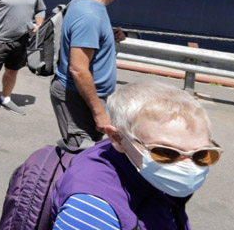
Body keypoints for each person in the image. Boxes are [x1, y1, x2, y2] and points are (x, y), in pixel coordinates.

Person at [51, 81, 220, 230]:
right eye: (166, 152)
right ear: (118, 139)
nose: (188, 166)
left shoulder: (144, 169)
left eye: (202, 154)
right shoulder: (91, 211)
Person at [51, 0, 136, 149]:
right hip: (79, 98)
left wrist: (108, 37)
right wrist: (99, 112)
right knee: (81, 156)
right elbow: (79, 69)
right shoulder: (88, 14)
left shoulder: (87, 3)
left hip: (90, 96)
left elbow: (81, 37)